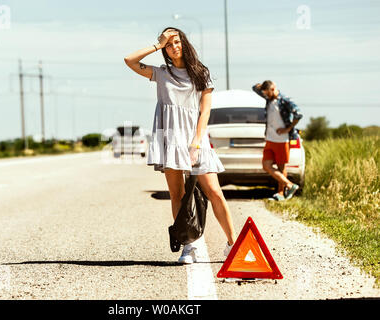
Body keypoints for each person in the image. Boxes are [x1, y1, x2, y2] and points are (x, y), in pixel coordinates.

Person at [124, 27, 237, 264]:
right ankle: (189, 246)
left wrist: (196, 142)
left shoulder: (201, 73)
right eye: (168, 44)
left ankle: (232, 245)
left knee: (214, 192)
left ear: (184, 43)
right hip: (170, 139)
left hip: (195, 139)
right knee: (177, 194)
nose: (173, 46)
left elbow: (205, 111)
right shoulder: (162, 73)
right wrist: (157, 44)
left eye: (176, 41)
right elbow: (130, 60)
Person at [252, 80, 303, 201]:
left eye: (268, 93)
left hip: (282, 140)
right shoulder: (268, 98)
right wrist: (262, 86)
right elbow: (254, 88)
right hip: (270, 138)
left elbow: (298, 114)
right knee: (266, 165)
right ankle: (290, 185)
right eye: (265, 93)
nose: (266, 96)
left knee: (281, 167)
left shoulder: (284, 100)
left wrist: (288, 128)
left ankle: (280, 193)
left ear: (274, 88)